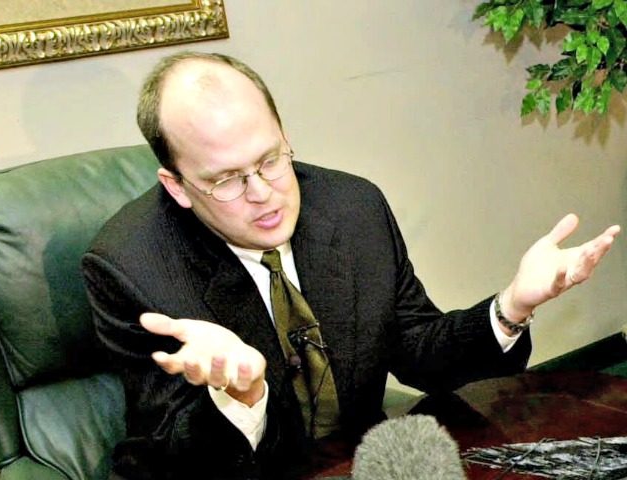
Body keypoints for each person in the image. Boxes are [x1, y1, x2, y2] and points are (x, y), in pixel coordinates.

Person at [82, 52, 620, 480]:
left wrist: (512, 306)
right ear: (177, 186)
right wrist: (241, 396)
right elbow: (176, 455)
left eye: (271, 159)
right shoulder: (129, 266)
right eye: (227, 180)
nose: (264, 194)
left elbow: (417, 349)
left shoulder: (352, 206)